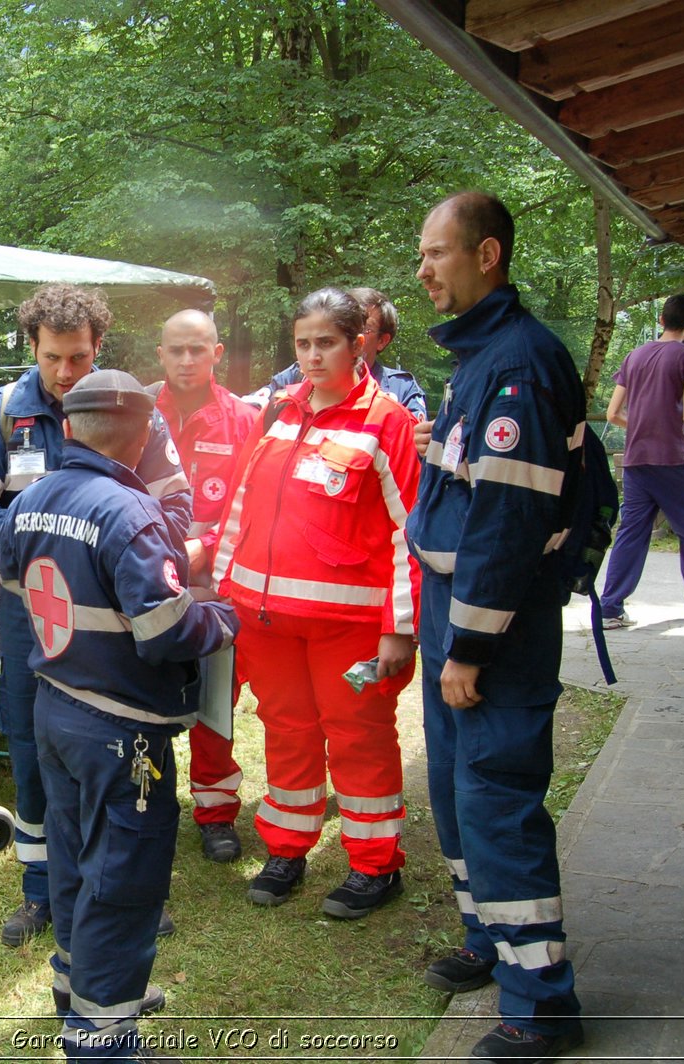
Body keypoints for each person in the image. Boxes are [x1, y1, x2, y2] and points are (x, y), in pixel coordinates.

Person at [0, 369, 238, 1063]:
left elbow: (19, 589)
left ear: (67, 428)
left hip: (55, 709)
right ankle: (103, 1042)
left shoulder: (30, 501)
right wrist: (222, 619)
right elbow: (164, 632)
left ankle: (78, 990)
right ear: (143, 435)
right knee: (124, 881)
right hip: (121, 729)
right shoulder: (133, 515)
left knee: (73, 859)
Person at [0, 283, 192, 948]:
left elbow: (175, 510)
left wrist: (104, 553)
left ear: (99, 348)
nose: (65, 372)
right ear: (32, 347)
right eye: (53, 357)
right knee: (33, 754)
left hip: (116, 626)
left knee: (124, 753)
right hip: (30, 618)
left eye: (79, 357)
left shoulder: (133, 412)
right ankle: (41, 893)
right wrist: (52, 548)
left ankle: (126, 891)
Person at [406, 192, 585, 1062]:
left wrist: (469, 646)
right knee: (454, 791)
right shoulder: (478, 357)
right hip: (454, 613)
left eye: (436, 254)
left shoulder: (520, 363)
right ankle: (491, 942)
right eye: (420, 256)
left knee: (496, 801)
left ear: (487, 255)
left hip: (495, 626)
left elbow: (507, 524)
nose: (424, 271)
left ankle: (542, 1004)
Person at [210, 287, 419, 918]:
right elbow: (241, 506)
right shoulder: (278, 411)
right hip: (266, 621)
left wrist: (399, 630)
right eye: (303, 343)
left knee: (359, 737)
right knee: (288, 732)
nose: (312, 355)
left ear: (360, 344)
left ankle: (374, 866)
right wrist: (225, 592)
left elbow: (410, 534)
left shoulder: (388, 421)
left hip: (348, 629)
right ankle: (288, 848)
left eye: (326, 342)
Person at [152, 309, 259, 863]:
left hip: (217, 591)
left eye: (198, 349)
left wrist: (206, 548)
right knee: (144, 700)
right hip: (145, 587)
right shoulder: (137, 411)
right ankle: (148, 805)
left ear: (218, 353)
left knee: (217, 702)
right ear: (161, 354)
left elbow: (252, 505)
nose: (187, 360)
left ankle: (216, 813)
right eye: (176, 350)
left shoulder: (246, 420)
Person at [597, 294, 684, 629]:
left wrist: (645, 424)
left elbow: (612, 413)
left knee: (631, 533)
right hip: (673, 458)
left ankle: (611, 608)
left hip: (636, 459)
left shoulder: (634, 357)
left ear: (661, 320)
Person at [245, 287, 427, 420]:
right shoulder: (297, 375)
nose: (313, 357)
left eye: (365, 327)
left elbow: (415, 448)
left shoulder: (400, 390)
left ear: (382, 340)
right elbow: (252, 408)